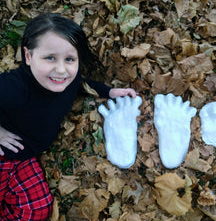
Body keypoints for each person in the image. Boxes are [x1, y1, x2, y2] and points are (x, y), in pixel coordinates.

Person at [0, 13, 137, 220]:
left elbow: (83, 83)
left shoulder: (67, 80)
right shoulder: (12, 88)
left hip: (24, 158)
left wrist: (109, 92)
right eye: (50, 58)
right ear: (28, 56)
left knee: (37, 208)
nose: (61, 69)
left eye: (70, 59)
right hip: (4, 152)